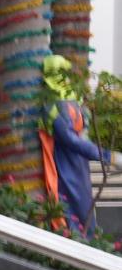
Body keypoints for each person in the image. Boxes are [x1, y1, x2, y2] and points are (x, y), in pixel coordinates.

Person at [42, 55, 112, 237]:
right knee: (72, 215)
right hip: (66, 170)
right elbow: (71, 140)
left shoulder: (72, 103)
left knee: (84, 212)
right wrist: (106, 156)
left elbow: (80, 136)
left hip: (79, 168)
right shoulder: (53, 107)